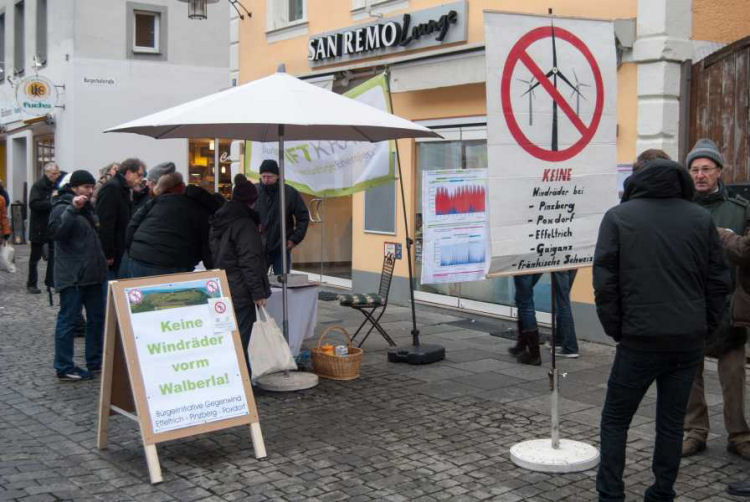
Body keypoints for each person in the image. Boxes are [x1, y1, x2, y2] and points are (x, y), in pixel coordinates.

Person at [593, 156, 730, 502]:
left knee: (615, 420)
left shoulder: (618, 218)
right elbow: (718, 282)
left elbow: (605, 283)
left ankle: (610, 494)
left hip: (638, 340)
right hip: (686, 340)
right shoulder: (700, 219)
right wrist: (707, 328)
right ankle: (662, 492)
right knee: (671, 424)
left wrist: (617, 330)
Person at [682, 138, 750, 460]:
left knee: (734, 374)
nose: (699, 175)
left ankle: (739, 434)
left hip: (728, 305)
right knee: (689, 372)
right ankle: (695, 431)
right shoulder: (680, 209)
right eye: (694, 169)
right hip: (690, 301)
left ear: (719, 171)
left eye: (706, 169)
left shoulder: (740, 210)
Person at [48, 170, 108, 381]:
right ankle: (63, 366)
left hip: (93, 274)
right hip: (73, 276)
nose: (89, 191)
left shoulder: (88, 209)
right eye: (85, 187)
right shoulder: (62, 207)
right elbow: (56, 233)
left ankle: (95, 360)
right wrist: (73, 209)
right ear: (74, 188)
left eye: (91, 187)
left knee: (97, 319)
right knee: (68, 321)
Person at [209, 181, 271, 370]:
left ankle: (229, 375)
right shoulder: (245, 224)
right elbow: (249, 261)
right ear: (253, 201)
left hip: (222, 284)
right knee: (243, 337)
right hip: (241, 288)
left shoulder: (219, 219)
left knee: (227, 334)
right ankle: (243, 379)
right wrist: (258, 293)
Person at [126, 172, 220, 277]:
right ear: (180, 187)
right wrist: (213, 271)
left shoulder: (156, 202)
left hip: (139, 259)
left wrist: (132, 251)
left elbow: (132, 225)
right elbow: (207, 243)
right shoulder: (198, 208)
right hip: (172, 263)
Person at [508, 271, 579, 364]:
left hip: (527, 262)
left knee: (525, 302)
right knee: (524, 299)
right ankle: (559, 341)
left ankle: (535, 353)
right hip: (566, 260)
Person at [254, 159, 310, 275]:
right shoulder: (254, 191)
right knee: (258, 281)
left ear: (278, 176)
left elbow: (303, 216)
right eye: (263, 176)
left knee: (282, 282)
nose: (266, 180)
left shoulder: (289, 193)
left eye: (269, 177)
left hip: (282, 247)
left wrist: (294, 239)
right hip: (258, 247)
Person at [96, 158, 145, 279]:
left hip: (120, 248)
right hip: (114, 251)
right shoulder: (112, 188)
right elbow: (105, 223)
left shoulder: (123, 188)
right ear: (128, 172)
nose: (140, 179)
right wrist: (108, 253)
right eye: (139, 175)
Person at [27, 162, 60, 294]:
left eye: (57, 173)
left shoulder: (55, 185)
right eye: (54, 173)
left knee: (53, 256)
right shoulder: (38, 185)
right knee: (34, 258)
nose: (56, 176)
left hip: (50, 226)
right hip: (38, 227)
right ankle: (31, 283)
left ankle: (51, 282)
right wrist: (51, 201)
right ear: (47, 173)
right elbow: (34, 204)